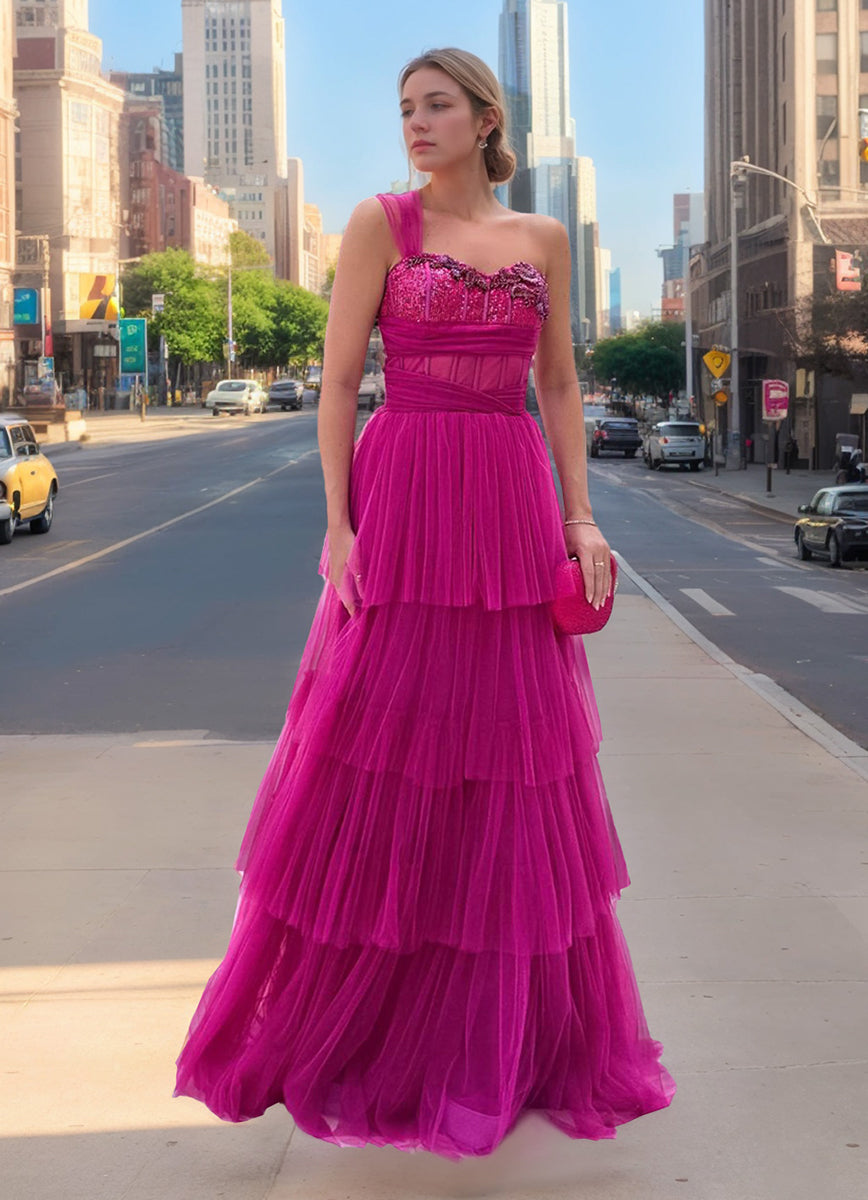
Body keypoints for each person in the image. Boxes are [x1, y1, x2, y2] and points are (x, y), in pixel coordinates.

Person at [174, 47, 675, 1160]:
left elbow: (555, 386)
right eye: (403, 108)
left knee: (505, 763)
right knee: (378, 752)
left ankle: (496, 1041)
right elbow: (345, 378)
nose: (415, 122)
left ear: (486, 118)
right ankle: (356, 1036)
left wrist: (581, 518)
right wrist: (341, 526)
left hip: (506, 501)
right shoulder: (379, 225)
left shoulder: (539, 241)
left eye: (435, 105)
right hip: (402, 496)